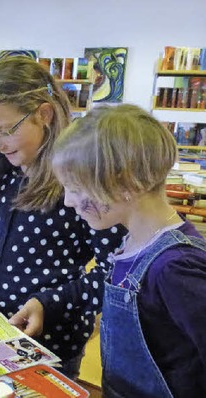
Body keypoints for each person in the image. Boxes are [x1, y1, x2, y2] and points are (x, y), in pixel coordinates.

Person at [0, 56, 125, 378]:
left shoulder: (79, 182)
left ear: (44, 114)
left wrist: (51, 302)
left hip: (49, 343)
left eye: (5, 131)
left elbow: (117, 274)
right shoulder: (9, 172)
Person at [51, 104, 206, 397]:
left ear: (124, 183)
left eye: (74, 188)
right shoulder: (131, 243)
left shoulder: (175, 267)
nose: (69, 202)